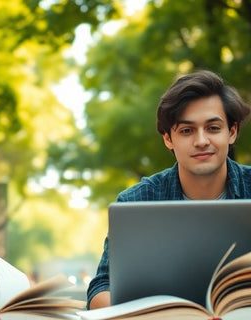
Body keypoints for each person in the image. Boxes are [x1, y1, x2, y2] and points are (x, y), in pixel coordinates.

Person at [87, 69, 251, 310]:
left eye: (213, 128)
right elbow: (100, 290)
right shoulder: (136, 202)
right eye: (187, 130)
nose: (201, 140)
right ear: (168, 139)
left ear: (232, 132)